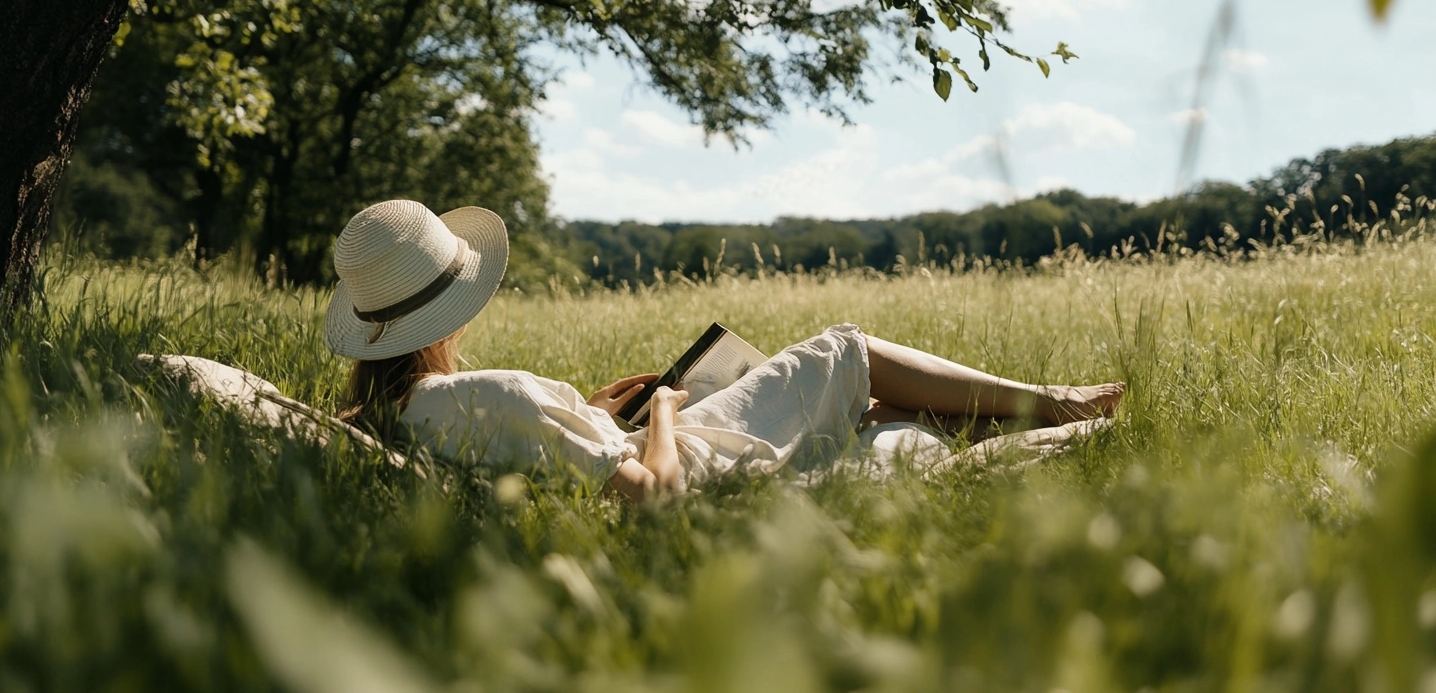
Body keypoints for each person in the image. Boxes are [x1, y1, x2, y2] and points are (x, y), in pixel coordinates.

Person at [327, 200, 1124, 504]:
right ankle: (1049, 403)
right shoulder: (490, 391)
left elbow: (545, 453)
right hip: (690, 462)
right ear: (448, 313)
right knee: (844, 351)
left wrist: (594, 416)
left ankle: (1026, 415)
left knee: (877, 414)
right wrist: (665, 411)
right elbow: (650, 491)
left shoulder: (396, 410)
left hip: (633, 443)